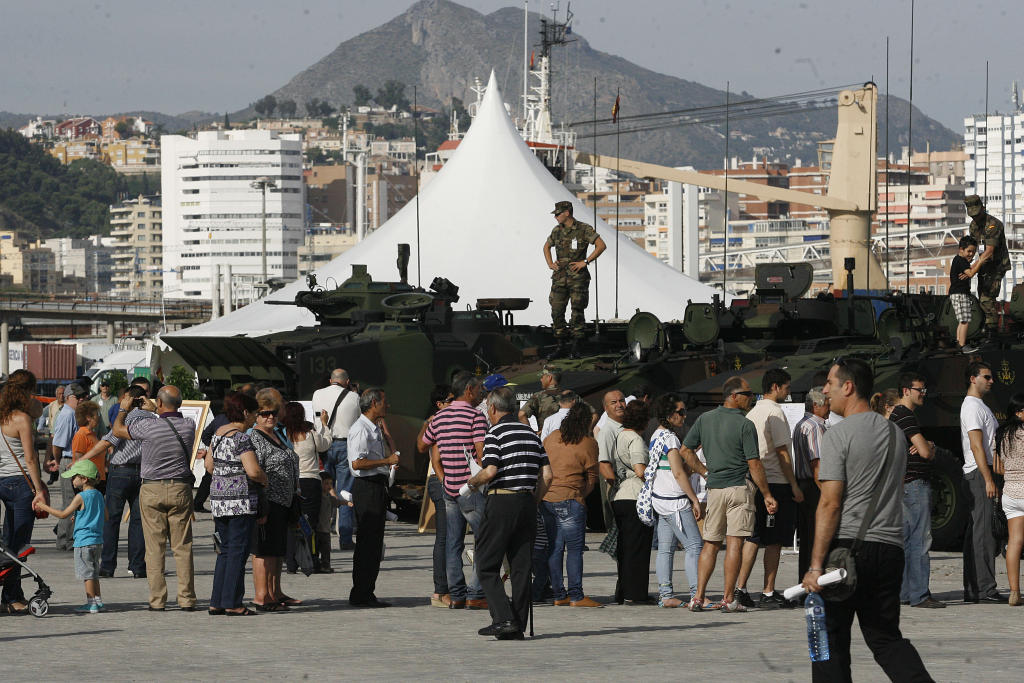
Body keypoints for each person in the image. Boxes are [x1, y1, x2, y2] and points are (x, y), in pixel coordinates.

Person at [801, 357, 932, 682]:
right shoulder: (896, 435)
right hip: (890, 549)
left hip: (847, 552)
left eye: (830, 384)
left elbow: (830, 503)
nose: (825, 391)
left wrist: (815, 566)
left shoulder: (838, 435)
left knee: (829, 641)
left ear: (848, 387)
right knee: (886, 639)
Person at [681, 376, 777, 613]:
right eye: (747, 394)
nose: (751, 398)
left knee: (710, 544)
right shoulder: (745, 424)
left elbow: (685, 450)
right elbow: (754, 463)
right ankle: (728, 599)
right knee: (734, 543)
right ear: (734, 396)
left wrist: (705, 473)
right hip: (739, 488)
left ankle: (698, 597)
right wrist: (766, 494)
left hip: (715, 489)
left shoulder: (705, 419)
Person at [468, 386, 552, 640]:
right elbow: (548, 475)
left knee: (486, 563)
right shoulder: (531, 435)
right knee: (521, 567)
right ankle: (518, 625)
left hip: (501, 501)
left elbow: (490, 471)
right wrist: (534, 501)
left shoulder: (495, 433)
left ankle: (504, 619)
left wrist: (472, 482)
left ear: (493, 408)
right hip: (526, 502)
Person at [111, 384, 198, 611]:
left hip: (151, 489)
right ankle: (186, 598)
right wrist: (156, 408)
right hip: (180, 488)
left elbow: (118, 430)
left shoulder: (147, 426)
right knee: (182, 547)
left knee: (154, 548)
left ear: (159, 403)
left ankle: (158, 600)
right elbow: (170, 418)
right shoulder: (189, 425)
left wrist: (124, 409)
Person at [421, 371, 489, 610]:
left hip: (449, 487)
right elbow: (481, 453)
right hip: (471, 488)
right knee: (483, 540)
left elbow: (424, 444)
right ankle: (476, 593)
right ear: (469, 390)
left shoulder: (439, 417)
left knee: (453, 542)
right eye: (479, 389)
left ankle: (457, 594)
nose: (482, 394)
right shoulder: (476, 416)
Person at [736, 368, 802, 609]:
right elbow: (783, 452)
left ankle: (740, 588)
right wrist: (794, 484)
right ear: (776, 387)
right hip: (776, 482)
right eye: (786, 387)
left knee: (753, 537)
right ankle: (768, 591)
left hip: (756, 480)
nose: (788, 392)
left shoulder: (753, 412)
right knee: (774, 541)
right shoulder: (775, 412)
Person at [207, 391, 265, 616]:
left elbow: (209, 466)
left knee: (225, 550)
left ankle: (217, 601)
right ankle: (233, 602)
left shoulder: (218, 434)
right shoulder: (241, 438)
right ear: (245, 413)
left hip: (219, 501)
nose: (255, 418)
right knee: (238, 552)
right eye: (254, 414)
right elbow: (253, 471)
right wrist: (265, 479)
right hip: (240, 502)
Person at [86, 384, 153, 579]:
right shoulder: (153, 419)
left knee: (111, 520)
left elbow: (108, 440)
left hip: (121, 471)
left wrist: (84, 459)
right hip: (143, 473)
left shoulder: (127, 418)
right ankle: (137, 566)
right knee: (138, 521)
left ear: (128, 398)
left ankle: (108, 566)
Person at [891, 372, 943, 609]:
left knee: (907, 539)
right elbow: (924, 452)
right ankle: (920, 594)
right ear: (906, 391)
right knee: (920, 540)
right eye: (919, 390)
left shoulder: (898, 415)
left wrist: (927, 444)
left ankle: (905, 592)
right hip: (914, 485)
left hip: (903, 484)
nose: (923, 394)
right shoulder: (905, 415)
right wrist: (930, 447)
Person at [540, 400, 600, 607]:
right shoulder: (588, 442)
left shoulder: (550, 438)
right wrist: (581, 495)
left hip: (547, 498)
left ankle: (559, 594)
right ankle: (576, 595)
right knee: (574, 550)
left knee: (554, 548)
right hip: (571, 497)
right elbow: (592, 478)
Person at [0, 371, 48, 614]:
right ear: (27, 391)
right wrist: (39, 490)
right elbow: (30, 458)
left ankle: (10, 595)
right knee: (18, 545)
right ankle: (12, 597)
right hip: (21, 483)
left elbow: (38, 408)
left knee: (8, 542)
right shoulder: (21, 419)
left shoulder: (3, 416)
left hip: (2, 481)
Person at [248, 390, 301, 611]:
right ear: (256, 415)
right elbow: (254, 471)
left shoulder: (277, 434)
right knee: (264, 550)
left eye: (274, 413)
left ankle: (275, 592)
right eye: (265, 413)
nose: (270, 417)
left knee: (277, 550)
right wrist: (261, 503)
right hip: (268, 500)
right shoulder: (254, 437)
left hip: (284, 501)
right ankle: (262, 596)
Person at [649, 394, 703, 608]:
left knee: (666, 548)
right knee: (695, 546)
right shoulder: (670, 438)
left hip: (660, 499)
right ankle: (697, 595)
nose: (684, 416)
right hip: (674, 500)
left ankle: (665, 595)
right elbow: (679, 473)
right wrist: (694, 499)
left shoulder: (656, 435)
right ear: (669, 415)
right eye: (680, 412)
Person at [347, 387, 399, 608]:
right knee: (367, 543)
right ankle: (361, 593)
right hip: (366, 487)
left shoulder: (374, 427)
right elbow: (357, 463)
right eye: (384, 402)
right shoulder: (360, 429)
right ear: (374, 403)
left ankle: (367, 591)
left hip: (377, 486)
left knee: (374, 543)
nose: (387, 405)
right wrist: (386, 462)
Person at [36, 459, 107, 613]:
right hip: (97, 540)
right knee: (94, 573)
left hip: (83, 541)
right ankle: (98, 601)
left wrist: (44, 507)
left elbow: (63, 515)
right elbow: (105, 516)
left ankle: (91, 603)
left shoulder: (80, 496)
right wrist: (81, 516)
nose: (72, 480)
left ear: (84, 478)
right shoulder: (99, 495)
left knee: (87, 574)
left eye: (74, 477)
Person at [543, 200, 607, 358]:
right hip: (559, 278)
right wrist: (550, 263)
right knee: (556, 311)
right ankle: (561, 346)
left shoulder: (583, 229)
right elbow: (546, 247)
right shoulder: (557, 231)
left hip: (578, 278)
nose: (556, 217)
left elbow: (601, 245)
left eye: (558, 214)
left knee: (577, 312)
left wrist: (585, 262)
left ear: (567, 213)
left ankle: (576, 347)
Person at [960, 360, 1002, 603]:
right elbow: (976, 446)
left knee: (978, 531)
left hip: (981, 471)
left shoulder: (979, 405)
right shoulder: (972, 407)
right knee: (984, 533)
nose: (991, 381)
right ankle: (984, 589)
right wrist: (988, 479)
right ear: (972, 379)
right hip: (979, 472)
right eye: (986, 377)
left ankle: (974, 588)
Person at [607, 400, 654, 604]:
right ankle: (636, 594)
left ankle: (623, 591)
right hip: (635, 496)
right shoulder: (635, 439)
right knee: (638, 548)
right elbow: (640, 470)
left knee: (625, 548)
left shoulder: (620, 436)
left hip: (620, 495)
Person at [311, 369, 360, 550]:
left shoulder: (317, 394)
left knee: (322, 491)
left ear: (331, 380)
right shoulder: (354, 397)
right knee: (345, 493)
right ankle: (345, 539)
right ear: (347, 382)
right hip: (345, 445)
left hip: (323, 445)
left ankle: (320, 539)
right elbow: (357, 421)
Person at [280, 401, 330, 574]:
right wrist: (324, 424)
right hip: (310, 481)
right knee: (309, 523)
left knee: (290, 522)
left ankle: (291, 562)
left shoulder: (282, 435)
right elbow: (325, 444)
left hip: (290, 481)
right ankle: (310, 560)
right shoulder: (310, 434)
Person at [417, 384, 453, 607]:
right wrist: (426, 424)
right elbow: (422, 447)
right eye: (450, 400)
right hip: (441, 480)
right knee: (445, 537)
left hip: (454, 480)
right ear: (439, 404)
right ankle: (441, 590)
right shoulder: (437, 421)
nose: (454, 403)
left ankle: (454, 587)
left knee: (453, 537)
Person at [792, 386, 828, 579]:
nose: (829, 408)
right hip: (814, 486)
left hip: (803, 484)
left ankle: (804, 579)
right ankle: (815, 580)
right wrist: (826, 493)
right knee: (816, 536)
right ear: (816, 405)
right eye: (827, 404)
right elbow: (817, 465)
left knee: (807, 538)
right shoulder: (815, 426)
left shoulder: (801, 424)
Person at [963, 194, 1010, 330]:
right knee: (982, 298)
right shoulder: (973, 226)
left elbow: (989, 252)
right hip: (983, 266)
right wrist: (964, 264)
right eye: (972, 215)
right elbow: (972, 248)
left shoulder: (993, 225)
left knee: (987, 299)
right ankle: (987, 328)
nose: (975, 218)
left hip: (996, 266)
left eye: (977, 214)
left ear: (982, 208)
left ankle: (992, 333)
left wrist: (973, 268)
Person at [52, 382, 88, 551]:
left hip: (73, 461)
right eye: (78, 397)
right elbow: (57, 444)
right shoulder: (67, 415)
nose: (81, 399)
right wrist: (59, 461)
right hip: (68, 461)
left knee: (72, 501)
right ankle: (66, 540)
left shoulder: (72, 413)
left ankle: (66, 538)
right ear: (68, 397)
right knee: (70, 502)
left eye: (83, 396)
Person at [997, 393, 1024, 606]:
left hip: (1010, 494)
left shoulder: (1002, 434)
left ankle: (1014, 592)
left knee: (1014, 542)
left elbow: (998, 467)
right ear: (1019, 412)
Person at [596, 389, 627, 529]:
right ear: (605, 408)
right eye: (614, 402)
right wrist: (619, 490)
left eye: (622, 401)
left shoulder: (626, 427)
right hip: (619, 490)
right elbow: (604, 465)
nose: (619, 405)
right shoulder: (607, 431)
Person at [950, 235, 980, 353]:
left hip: (957, 293)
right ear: (961, 249)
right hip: (960, 293)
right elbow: (971, 273)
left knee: (962, 320)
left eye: (973, 252)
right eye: (969, 251)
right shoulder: (961, 261)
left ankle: (959, 342)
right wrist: (980, 261)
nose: (971, 254)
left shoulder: (958, 260)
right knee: (965, 320)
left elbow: (968, 271)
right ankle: (962, 345)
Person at [72, 400, 104, 492]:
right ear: (88, 417)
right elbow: (79, 459)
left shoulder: (92, 434)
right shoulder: (81, 435)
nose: (99, 417)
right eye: (97, 414)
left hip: (97, 480)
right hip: (88, 482)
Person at [316, 471, 344, 573]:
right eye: (326, 483)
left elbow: (337, 502)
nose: (329, 486)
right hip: (318, 528)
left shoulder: (329, 496)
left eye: (331, 484)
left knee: (326, 550)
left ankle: (325, 566)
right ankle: (317, 565)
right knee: (316, 549)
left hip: (326, 529)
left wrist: (346, 502)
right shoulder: (318, 497)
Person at [519, 366, 563, 432]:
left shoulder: (538, 396)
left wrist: (532, 434)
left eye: (542, 377)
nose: (541, 380)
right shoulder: (572, 396)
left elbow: (521, 415)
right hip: (569, 436)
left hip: (546, 437)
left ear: (549, 378)